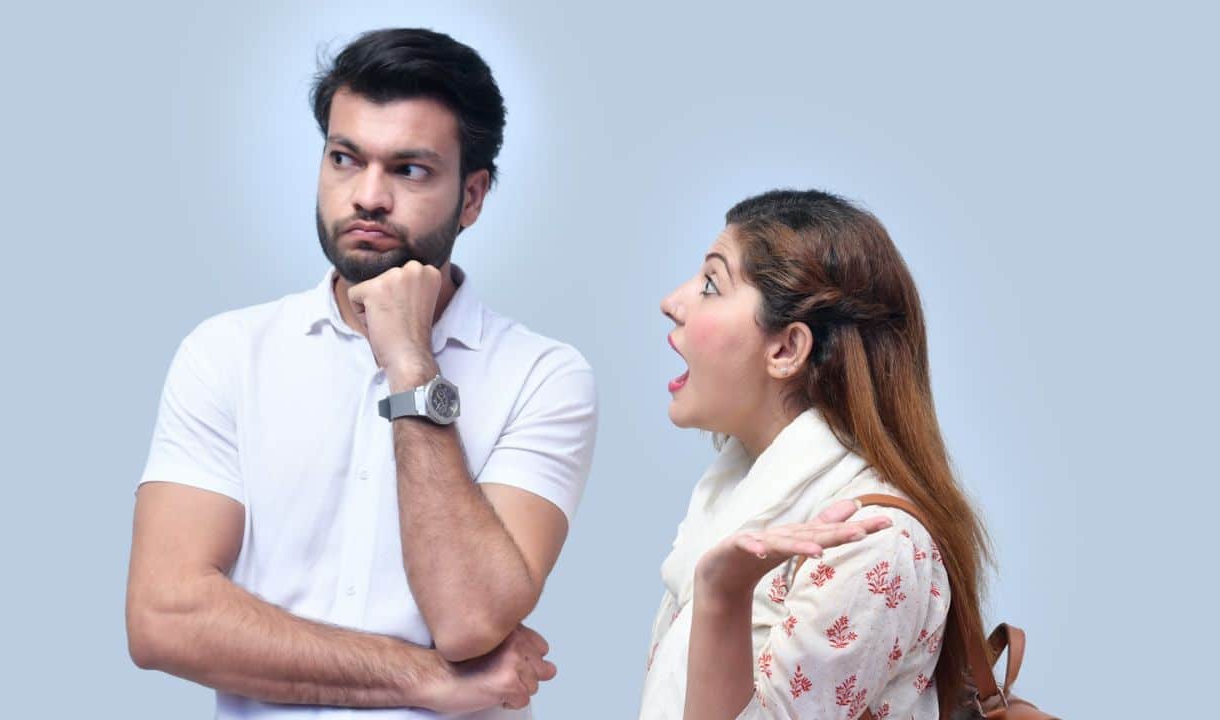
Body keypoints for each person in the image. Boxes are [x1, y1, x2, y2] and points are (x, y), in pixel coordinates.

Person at [125, 28, 598, 719]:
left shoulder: (544, 376)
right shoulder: (226, 352)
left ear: (472, 197)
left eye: (409, 170)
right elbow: (164, 616)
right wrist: (423, 679)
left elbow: (470, 618)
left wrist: (410, 361)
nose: (368, 196)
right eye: (345, 159)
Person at [640, 190, 991, 719]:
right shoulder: (726, 509)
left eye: (712, 284)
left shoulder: (872, 542)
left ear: (785, 350)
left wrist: (722, 594)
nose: (673, 301)